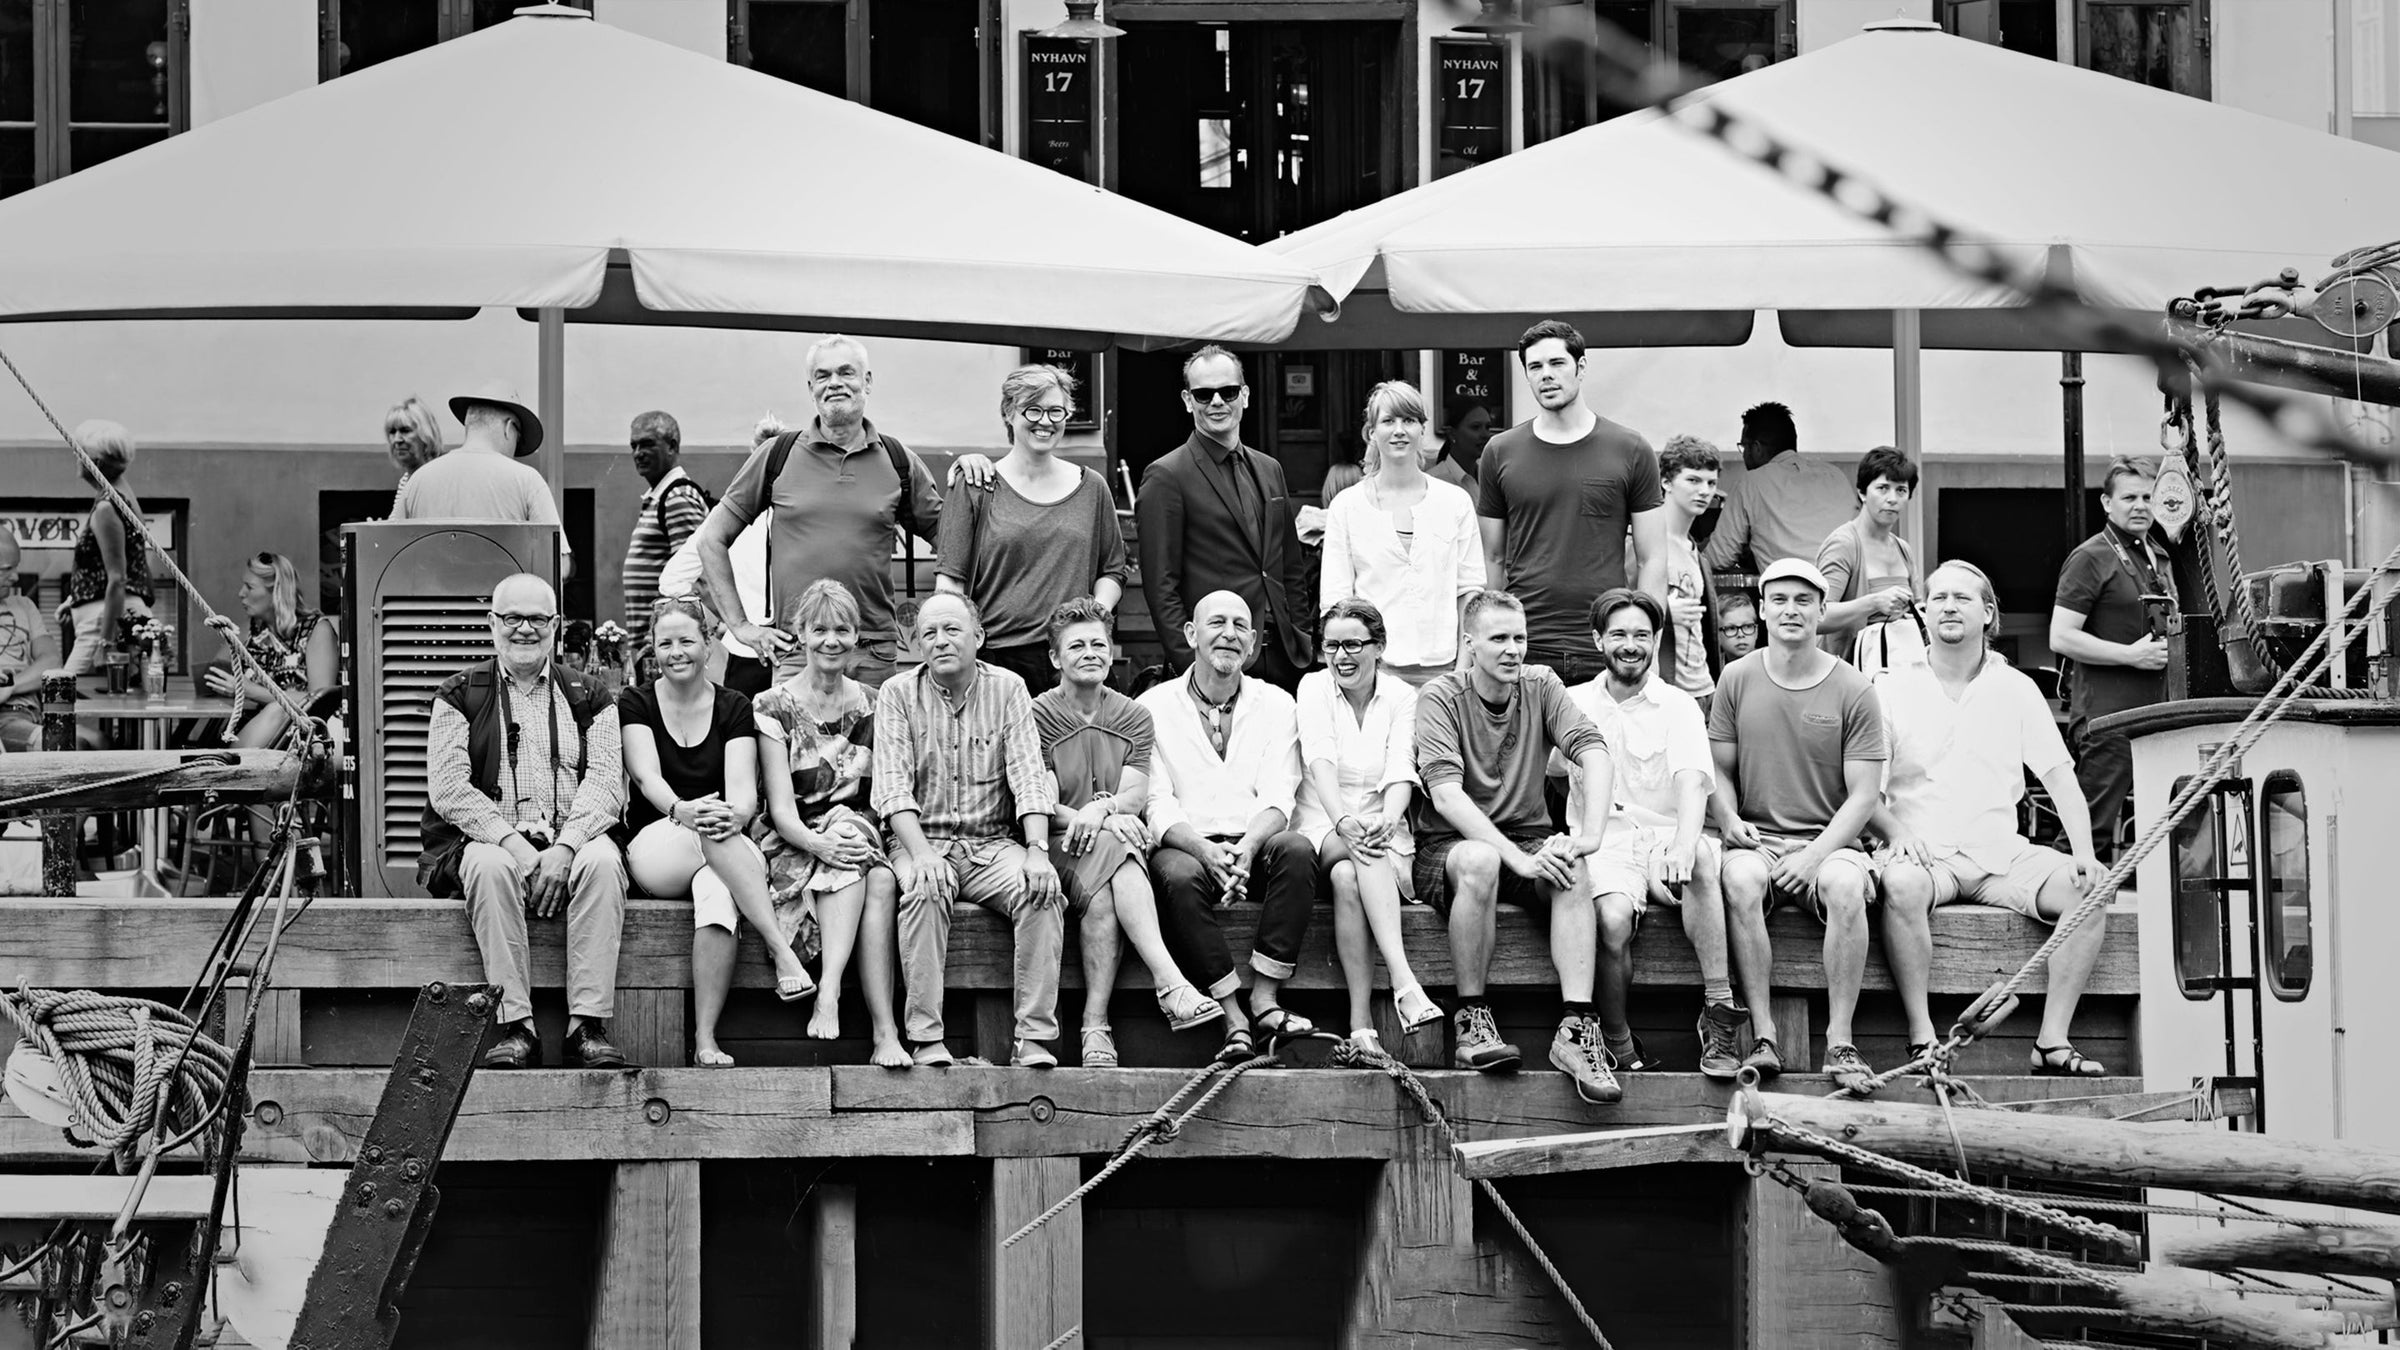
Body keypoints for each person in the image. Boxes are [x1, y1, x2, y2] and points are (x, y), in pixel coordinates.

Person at [1874, 562, 2112, 1077]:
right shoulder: (1889, 686)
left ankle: (2051, 1043)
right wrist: (1897, 836)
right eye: (1938, 598)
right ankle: (1922, 1039)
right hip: (1924, 854)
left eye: (1962, 598)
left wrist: (2085, 855)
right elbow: (1865, 790)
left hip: (2001, 856)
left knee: (2092, 890)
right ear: (1923, 612)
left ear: (1987, 613)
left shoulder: (2017, 687)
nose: (1949, 607)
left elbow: (2060, 779)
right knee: (1901, 884)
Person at [1413, 590, 1620, 1102]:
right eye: (1498, 638)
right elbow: (1446, 795)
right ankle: (1471, 1023)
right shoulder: (1440, 696)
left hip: (1526, 836)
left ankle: (1576, 1030)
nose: (1513, 649)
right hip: (1449, 845)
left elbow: (1593, 750)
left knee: (1570, 865)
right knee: (1481, 859)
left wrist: (1590, 837)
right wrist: (1521, 860)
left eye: (1520, 638)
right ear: (1469, 644)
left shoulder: (1541, 683)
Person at [421, 573, 627, 1069]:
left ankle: (586, 1027)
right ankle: (517, 1027)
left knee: (603, 862)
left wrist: (565, 847)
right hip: (494, 840)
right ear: (492, 622)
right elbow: (449, 789)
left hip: (572, 839)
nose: (524, 629)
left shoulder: (591, 695)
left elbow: (606, 784)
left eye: (536, 618)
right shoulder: (458, 695)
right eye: (512, 618)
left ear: (555, 624)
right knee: (488, 866)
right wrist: (515, 845)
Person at [698, 336, 986, 691]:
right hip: (798, 651)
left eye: (846, 372)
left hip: (873, 654)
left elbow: (954, 544)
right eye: (823, 375)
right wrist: (741, 627)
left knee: (875, 732)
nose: (834, 382)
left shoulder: (897, 460)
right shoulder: (777, 455)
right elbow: (711, 539)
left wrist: (969, 474)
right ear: (811, 388)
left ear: (867, 381)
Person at [1554, 589, 1749, 1079]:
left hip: (1665, 839)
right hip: (1605, 843)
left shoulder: (1678, 705)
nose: (1631, 644)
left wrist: (1683, 844)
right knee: (1613, 919)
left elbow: (1692, 782)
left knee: (1700, 856)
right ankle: (1617, 1038)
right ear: (1597, 639)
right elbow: (1554, 771)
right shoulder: (1572, 702)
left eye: (1642, 635)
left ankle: (1718, 1010)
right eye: (1619, 634)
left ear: (1657, 641)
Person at [1710, 559, 1887, 1091]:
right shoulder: (1735, 678)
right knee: (1739, 879)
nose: (1791, 610)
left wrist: (1814, 855)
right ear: (1763, 610)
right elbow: (1718, 770)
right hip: (1757, 839)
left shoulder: (1854, 687)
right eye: (1780, 600)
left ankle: (1840, 1040)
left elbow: (1864, 795)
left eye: (1804, 600)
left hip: (1830, 841)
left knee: (1846, 885)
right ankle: (1763, 1035)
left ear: (1822, 610)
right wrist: (1728, 817)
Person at [619, 597, 818, 1067]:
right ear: (653, 649)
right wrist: (683, 809)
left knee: (717, 898)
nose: (676, 652)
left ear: (708, 645)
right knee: (709, 827)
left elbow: (743, 796)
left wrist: (730, 815)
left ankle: (705, 1039)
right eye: (665, 643)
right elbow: (646, 778)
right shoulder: (635, 701)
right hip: (657, 847)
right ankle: (780, 948)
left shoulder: (733, 705)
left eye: (687, 641)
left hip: (720, 842)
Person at [872, 592, 1063, 1068]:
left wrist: (1037, 850)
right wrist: (921, 854)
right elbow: (893, 789)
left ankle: (1033, 1038)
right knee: (924, 888)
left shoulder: (1009, 689)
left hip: (991, 843)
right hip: (921, 838)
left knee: (1042, 890)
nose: (940, 641)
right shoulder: (897, 693)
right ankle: (925, 1038)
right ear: (918, 645)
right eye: (929, 633)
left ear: (978, 636)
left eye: (952, 630)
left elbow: (1028, 777)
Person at [1033, 598, 1226, 1065]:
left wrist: (1100, 811)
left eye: (1099, 644)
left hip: (1111, 844)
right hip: (1056, 842)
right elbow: (1042, 804)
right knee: (1118, 840)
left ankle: (1095, 1027)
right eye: (1076, 646)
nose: (1090, 653)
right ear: (1055, 657)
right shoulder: (1036, 715)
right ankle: (1170, 982)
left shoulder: (1133, 715)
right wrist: (1101, 814)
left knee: (1104, 895)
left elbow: (1135, 796)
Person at [1138, 590, 1315, 1062]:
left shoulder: (1277, 703)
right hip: (1188, 847)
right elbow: (1156, 802)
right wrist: (1205, 851)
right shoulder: (1153, 706)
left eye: (1240, 626)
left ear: (1253, 642)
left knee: (1297, 850)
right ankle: (1232, 1014)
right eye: (1217, 622)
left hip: (1254, 844)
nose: (1229, 634)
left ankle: (1265, 1000)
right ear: (1191, 634)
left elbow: (1280, 795)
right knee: (1176, 874)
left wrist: (1248, 848)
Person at [751, 580, 906, 1068]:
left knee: (857, 842)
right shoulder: (772, 705)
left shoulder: (877, 702)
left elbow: (883, 793)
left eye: (842, 630)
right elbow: (780, 809)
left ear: (857, 635)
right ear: (801, 635)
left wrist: (840, 836)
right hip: (793, 834)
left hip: (858, 825)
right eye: (819, 630)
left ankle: (837, 993)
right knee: (872, 873)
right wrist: (820, 844)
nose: (831, 641)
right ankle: (871, 1022)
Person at [1477, 320, 1665, 686]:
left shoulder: (1631, 449)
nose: (1546, 374)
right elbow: (1492, 558)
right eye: (1535, 367)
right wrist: (1491, 643)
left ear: (1581, 367)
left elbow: (1653, 558)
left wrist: (1649, 648)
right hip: (1525, 645)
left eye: (1556, 363)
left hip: (1607, 642)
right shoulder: (1499, 452)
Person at [1296, 598, 1439, 1050]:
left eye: (1353, 644)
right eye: (1331, 645)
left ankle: (1361, 1026)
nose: (1341, 656)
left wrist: (1390, 819)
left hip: (1381, 828)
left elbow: (1401, 767)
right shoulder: (1313, 687)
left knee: (1348, 877)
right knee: (1357, 853)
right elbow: (1319, 758)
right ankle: (1403, 981)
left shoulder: (1401, 696)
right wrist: (1342, 819)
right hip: (1323, 823)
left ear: (1379, 647)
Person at [937, 365, 1128, 694]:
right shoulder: (975, 485)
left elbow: (1112, 569)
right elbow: (950, 582)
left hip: (1074, 658)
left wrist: (1096, 615)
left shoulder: (1092, 487)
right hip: (999, 661)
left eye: (1056, 411)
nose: (1045, 421)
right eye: (1033, 409)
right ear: (1008, 413)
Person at [1137, 347, 1313, 691]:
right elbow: (1161, 588)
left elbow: (1290, 566)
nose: (1217, 401)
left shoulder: (1270, 469)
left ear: (1244, 395)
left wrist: (1301, 636)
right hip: (1215, 661)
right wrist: (1194, 669)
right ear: (1188, 401)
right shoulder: (1166, 476)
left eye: (1228, 391)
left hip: (1283, 657)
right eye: (1204, 394)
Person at [1319, 381, 1485, 686]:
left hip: (1445, 668)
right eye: (1388, 421)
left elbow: (1469, 590)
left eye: (1408, 420)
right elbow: (1336, 601)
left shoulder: (1454, 501)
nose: (1399, 430)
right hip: (1373, 671)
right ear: (1371, 432)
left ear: (1422, 429)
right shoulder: (1347, 506)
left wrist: (1462, 671)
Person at [2050, 456, 2172, 862]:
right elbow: (2061, 636)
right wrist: (2130, 656)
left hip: (2157, 714)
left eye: (2148, 497)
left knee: (2164, 833)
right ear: (2106, 503)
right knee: (2088, 836)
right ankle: (2065, 902)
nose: (2140, 506)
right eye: (2129, 497)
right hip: (2109, 719)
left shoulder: (2159, 555)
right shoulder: (2091, 556)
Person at [395, 382, 574, 578]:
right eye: (518, 437)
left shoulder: (418, 480)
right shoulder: (527, 480)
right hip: (502, 597)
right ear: (509, 428)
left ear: (469, 425)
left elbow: (390, 552)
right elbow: (559, 566)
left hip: (429, 595)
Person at [663, 415, 783, 697]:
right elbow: (671, 581)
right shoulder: (797, 518)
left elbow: (672, 581)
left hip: (743, 650)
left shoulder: (727, 517)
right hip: (783, 652)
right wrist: (723, 624)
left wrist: (724, 624)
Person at [1702, 401, 1855, 576]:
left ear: (1757, 448)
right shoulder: (1835, 475)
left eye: (1744, 447)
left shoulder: (1751, 483)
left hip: (1795, 589)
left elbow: (1718, 558)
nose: (1743, 454)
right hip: (1849, 587)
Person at [1816, 445, 1926, 676]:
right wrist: (1874, 602)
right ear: (1863, 492)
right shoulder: (1844, 544)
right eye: (1883, 488)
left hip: (1898, 671)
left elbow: (1918, 608)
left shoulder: (1903, 548)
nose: (1892, 499)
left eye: (1901, 490)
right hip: (1848, 674)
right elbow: (1817, 617)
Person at [60, 419, 153, 678]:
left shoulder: (106, 507)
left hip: (102, 620)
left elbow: (118, 577)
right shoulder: (124, 496)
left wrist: (105, 642)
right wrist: (77, 599)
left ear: (96, 463)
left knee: (63, 691)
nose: (76, 459)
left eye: (80, 453)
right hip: (111, 612)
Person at [622, 411, 711, 646]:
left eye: (647, 444)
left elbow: (692, 579)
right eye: (634, 446)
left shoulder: (676, 497)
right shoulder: (661, 496)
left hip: (665, 645)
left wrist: (663, 642)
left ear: (672, 446)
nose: (638, 453)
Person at [1652, 434, 1722, 703]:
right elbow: (1615, 607)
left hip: (1704, 687)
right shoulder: (1642, 543)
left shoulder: (1695, 552)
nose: (1704, 491)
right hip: (1665, 690)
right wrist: (1665, 612)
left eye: (1711, 483)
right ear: (1666, 482)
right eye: (1693, 480)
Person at [0, 532, 58, 752]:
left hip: (33, 713)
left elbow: (51, 662)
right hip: (5, 719)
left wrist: (10, 686)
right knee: (68, 744)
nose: (15, 577)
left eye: (16, 567)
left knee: (101, 741)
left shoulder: (24, 605)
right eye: (6, 569)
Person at [383, 396, 446, 517]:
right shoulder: (406, 479)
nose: (397, 439)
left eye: (405, 431)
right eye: (392, 432)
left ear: (426, 435)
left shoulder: (435, 479)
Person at [1426, 396, 1494, 494]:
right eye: (1475, 427)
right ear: (1452, 434)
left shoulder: (1491, 479)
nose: (1485, 435)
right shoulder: (1433, 482)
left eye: (1488, 427)